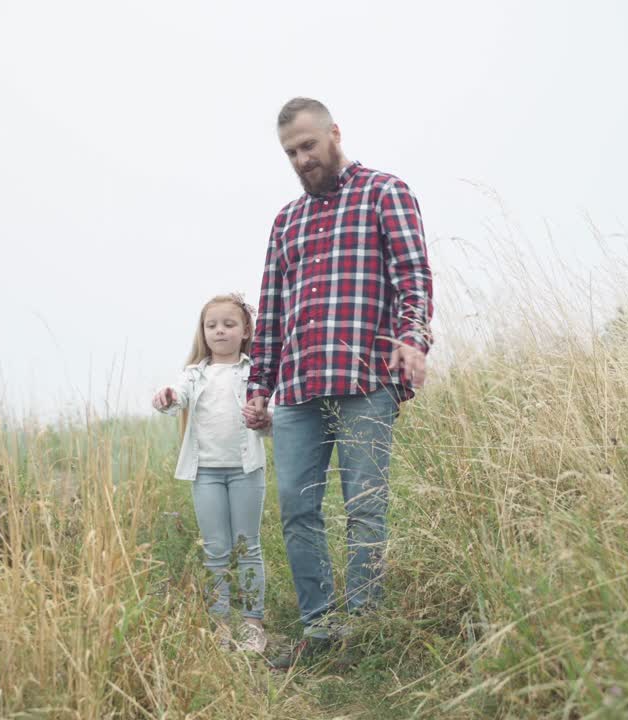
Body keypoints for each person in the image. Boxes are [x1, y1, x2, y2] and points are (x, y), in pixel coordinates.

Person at [243, 97, 434, 669]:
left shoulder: (384, 192)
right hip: (299, 389)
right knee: (297, 512)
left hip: (364, 381)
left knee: (365, 507)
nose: (301, 158)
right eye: (291, 152)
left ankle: (366, 630)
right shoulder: (286, 220)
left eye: (308, 145)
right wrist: (260, 383)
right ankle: (322, 632)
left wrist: (413, 339)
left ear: (334, 134)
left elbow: (413, 275)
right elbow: (273, 309)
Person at [153, 293, 269, 653]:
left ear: (246, 330)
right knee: (215, 549)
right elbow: (179, 398)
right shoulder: (194, 374)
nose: (220, 331)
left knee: (247, 545)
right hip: (206, 473)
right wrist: (168, 397)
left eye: (229, 324)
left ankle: (252, 623)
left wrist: (265, 419)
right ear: (203, 332)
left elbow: (269, 421)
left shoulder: (255, 372)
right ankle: (220, 624)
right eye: (212, 325)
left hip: (246, 470)